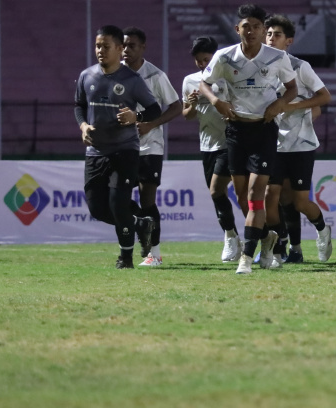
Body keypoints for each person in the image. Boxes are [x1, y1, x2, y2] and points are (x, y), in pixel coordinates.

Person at [198, 4, 298, 275]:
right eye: (246, 26)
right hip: (235, 131)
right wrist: (216, 100)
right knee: (243, 197)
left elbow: (292, 88)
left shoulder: (277, 57)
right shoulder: (224, 56)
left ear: (263, 29)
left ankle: (246, 256)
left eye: (256, 26)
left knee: (256, 196)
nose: (251, 31)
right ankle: (266, 238)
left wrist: (278, 105)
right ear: (237, 29)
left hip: (264, 130)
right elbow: (204, 83)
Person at [74, 25, 162, 268]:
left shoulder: (132, 80)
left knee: (118, 203)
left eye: (106, 46)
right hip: (95, 151)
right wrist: (82, 126)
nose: (100, 51)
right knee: (97, 209)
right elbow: (79, 106)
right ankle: (140, 223)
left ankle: (126, 258)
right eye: (98, 46)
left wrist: (136, 117)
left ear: (119, 49)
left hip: (124, 150)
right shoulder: (87, 76)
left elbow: (154, 109)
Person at [263, 14, 333, 267]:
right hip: (272, 144)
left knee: (298, 201)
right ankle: (280, 245)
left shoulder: (300, 66)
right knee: (272, 197)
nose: (271, 38)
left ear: (289, 41)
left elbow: (324, 97)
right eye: (268, 33)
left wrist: (292, 106)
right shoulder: (258, 68)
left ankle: (323, 229)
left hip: (301, 143)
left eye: (277, 34)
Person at [122, 26, 182, 267]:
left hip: (150, 147)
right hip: (122, 147)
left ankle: (154, 253)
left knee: (148, 198)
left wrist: (151, 124)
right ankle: (141, 224)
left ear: (143, 47)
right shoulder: (115, 76)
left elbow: (176, 106)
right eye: (124, 45)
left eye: (132, 46)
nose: (126, 50)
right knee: (118, 198)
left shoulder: (156, 76)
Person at [181, 36, 240, 263]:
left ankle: (232, 237)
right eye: (198, 60)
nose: (202, 64)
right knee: (217, 194)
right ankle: (234, 234)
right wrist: (193, 103)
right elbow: (187, 115)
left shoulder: (228, 77)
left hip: (230, 141)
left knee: (217, 190)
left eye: (206, 59)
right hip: (207, 145)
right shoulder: (190, 81)